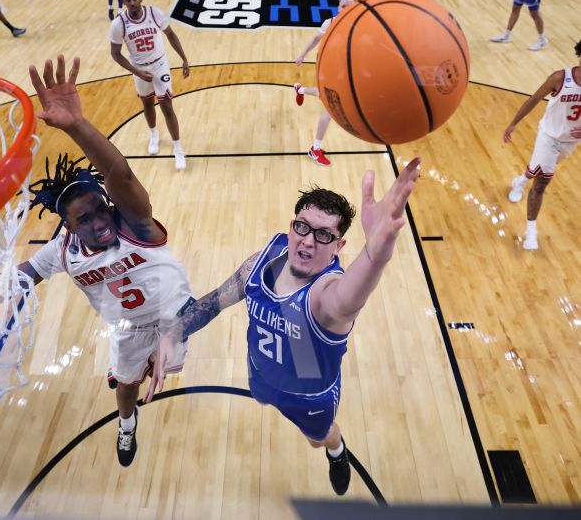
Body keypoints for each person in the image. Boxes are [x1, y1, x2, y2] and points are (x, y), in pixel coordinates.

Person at [148, 158, 423, 496]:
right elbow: (216, 300)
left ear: (338, 247)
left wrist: (374, 256)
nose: (308, 241)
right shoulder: (261, 260)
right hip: (261, 372)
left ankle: (337, 450)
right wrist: (173, 333)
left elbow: (349, 298)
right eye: (303, 227)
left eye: (324, 235)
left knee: (317, 439)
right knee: (263, 397)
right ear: (292, 227)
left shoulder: (326, 296)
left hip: (307, 395)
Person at [18, 55, 195, 467]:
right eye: (85, 219)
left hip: (175, 319)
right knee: (128, 387)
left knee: (168, 371)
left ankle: (137, 375)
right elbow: (19, 279)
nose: (100, 222)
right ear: (67, 226)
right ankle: (126, 424)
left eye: (101, 208)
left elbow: (122, 175)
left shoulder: (134, 223)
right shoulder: (62, 250)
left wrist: (77, 125)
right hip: (128, 331)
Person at [504, 39, 581, 250]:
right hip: (548, 137)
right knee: (541, 183)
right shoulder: (560, 78)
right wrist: (513, 123)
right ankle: (531, 233)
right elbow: (534, 99)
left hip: (571, 142)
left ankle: (520, 181)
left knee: (537, 170)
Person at [109, 0, 190, 170]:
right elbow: (115, 54)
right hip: (139, 69)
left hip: (160, 65)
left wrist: (184, 59)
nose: (132, 2)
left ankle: (178, 149)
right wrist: (137, 72)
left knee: (167, 107)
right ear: (123, 2)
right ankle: (153, 134)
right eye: (128, 0)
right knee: (147, 103)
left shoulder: (155, 14)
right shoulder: (118, 24)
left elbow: (171, 35)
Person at [292, 0, 356, 167]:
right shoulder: (330, 22)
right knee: (331, 109)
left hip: (343, 70)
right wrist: (302, 54)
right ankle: (315, 148)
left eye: (350, 5)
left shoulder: (359, 24)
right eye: (343, 6)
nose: (346, 8)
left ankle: (300, 90)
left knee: (322, 95)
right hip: (328, 69)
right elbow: (315, 39)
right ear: (338, 8)